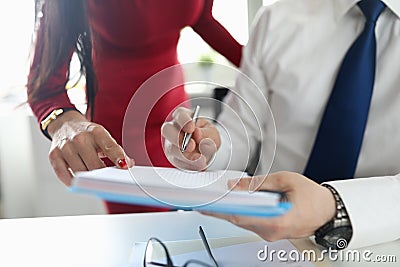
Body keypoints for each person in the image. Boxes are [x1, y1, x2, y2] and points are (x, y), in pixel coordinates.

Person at [162, 0, 400, 249]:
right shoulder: (275, 19)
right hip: (263, 240)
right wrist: (209, 147)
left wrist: (335, 207)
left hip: (381, 246)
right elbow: (240, 132)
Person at [27, 0, 242, 214]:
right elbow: (45, 88)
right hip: (119, 140)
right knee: (143, 234)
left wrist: (262, 67)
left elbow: (203, 19)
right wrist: (66, 123)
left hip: (177, 127)